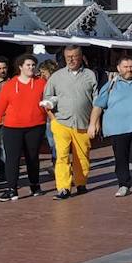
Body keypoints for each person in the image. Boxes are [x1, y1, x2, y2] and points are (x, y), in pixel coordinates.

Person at [89, 56, 132, 197]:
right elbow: (98, 106)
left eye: (131, 66)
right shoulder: (111, 85)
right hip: (117, 129)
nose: (129, 69)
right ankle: (123, 184)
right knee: (121, 158)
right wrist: (93, 124)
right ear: (119, 68)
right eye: (126, 67)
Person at [0, 54, 48, 201]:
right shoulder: (10, 85)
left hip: (35, 126)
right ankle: (11, 189)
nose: (31, 67)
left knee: (32, 158)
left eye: (33, 65)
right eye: (28, 65)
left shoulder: (42, 83)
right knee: (12, 159)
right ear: (21, 67)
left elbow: (51, 99)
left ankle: (35, 185)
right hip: (12, 127)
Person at [43, 46, 97, 200]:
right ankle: (64, 188)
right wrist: (53, 118)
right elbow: (47, 97)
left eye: (74, 56)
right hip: (61, 123)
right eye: (68, 57)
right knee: (62, 156)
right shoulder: (56, 77)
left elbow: (97, 101)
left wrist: (95, 121)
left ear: (81, 57)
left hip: (83, 124)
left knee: (82, 156)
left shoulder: (90, 75)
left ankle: (81, 183)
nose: (71, 60)